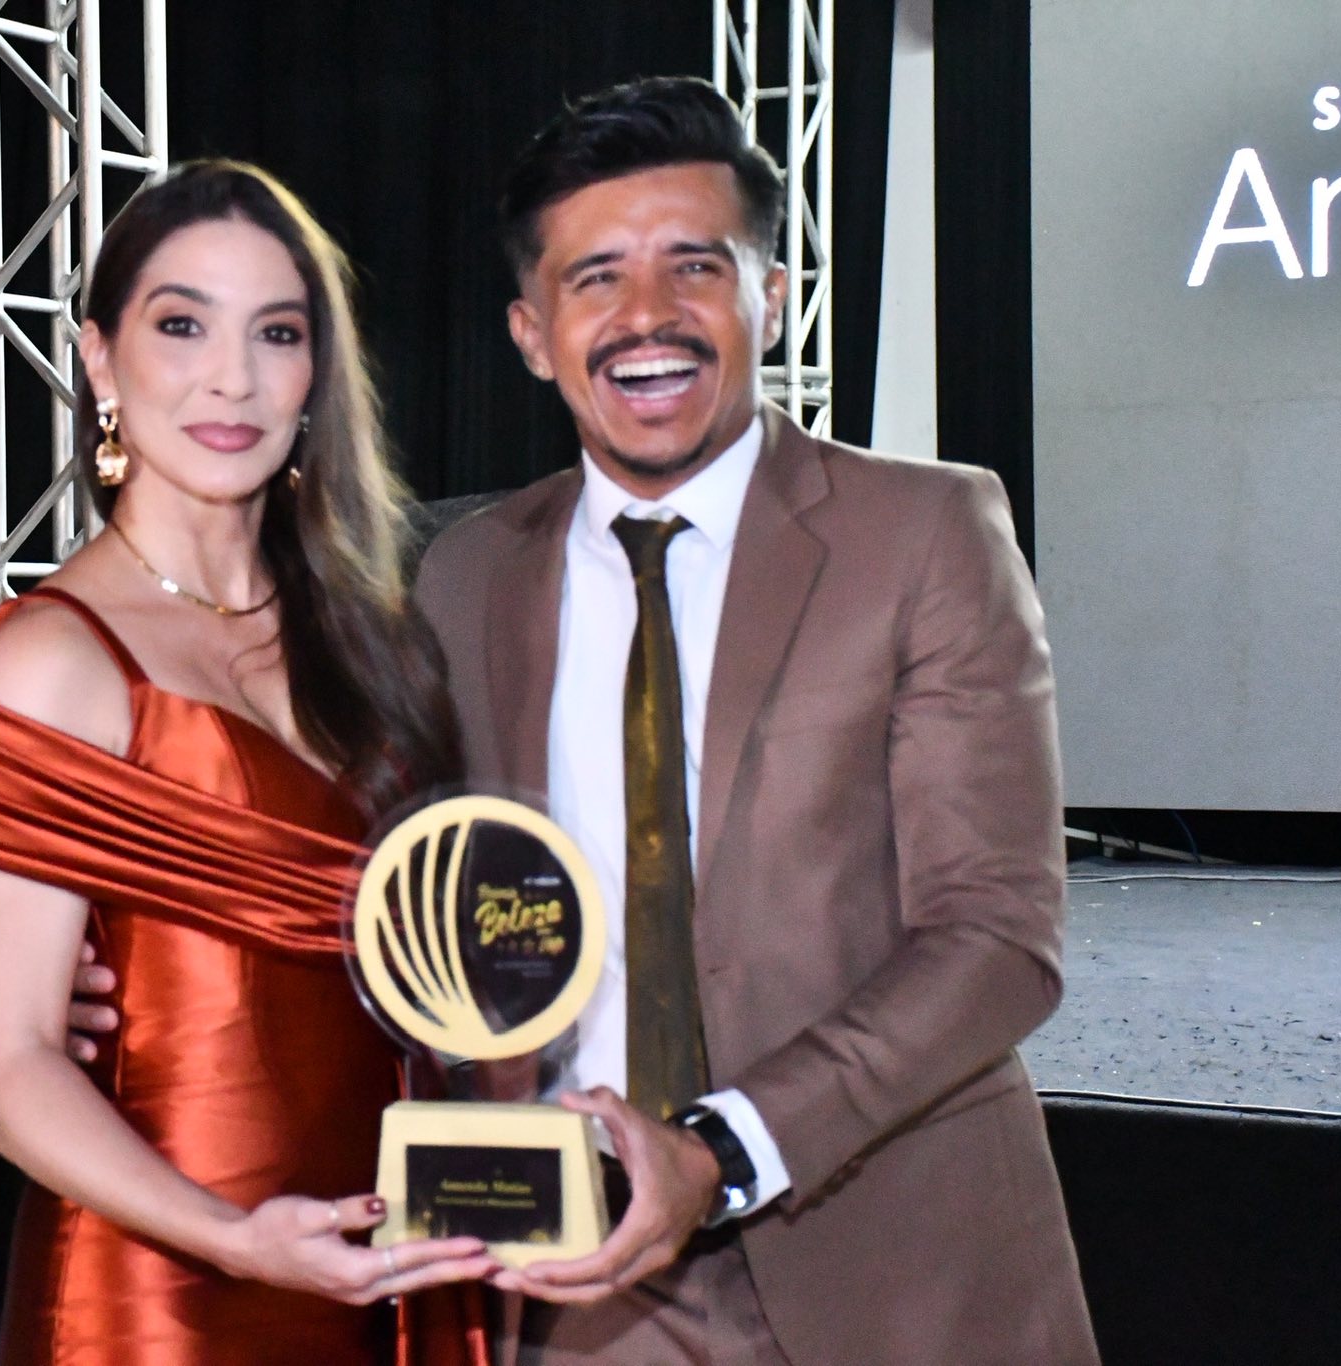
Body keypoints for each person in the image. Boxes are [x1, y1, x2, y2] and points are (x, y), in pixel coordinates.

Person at [406, 77, 1100, 1363]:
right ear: (530, 332)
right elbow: (428, 901)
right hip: (576, 1282)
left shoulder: (925, 533)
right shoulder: (465, 576)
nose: (646, 315)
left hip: (886, 1269)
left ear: (769, 296)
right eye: (595, 277)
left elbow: (998, 935)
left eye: (694, 266)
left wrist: (720, 1150)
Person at [0, 160, 495, 1366]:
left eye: (275, 333)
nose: (231, 377)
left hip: (393, 1258)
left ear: (315, 371)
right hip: (159, 1296)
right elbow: (9, 1068)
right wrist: (232, 1239)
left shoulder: (373, 631)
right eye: (181, 325)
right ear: (98, 359)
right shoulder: (52, 664)